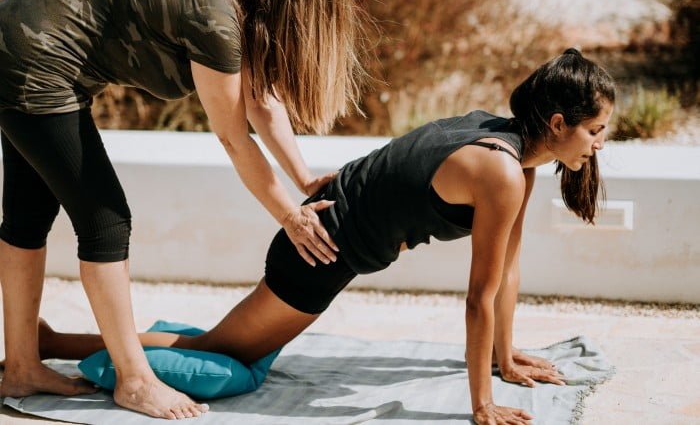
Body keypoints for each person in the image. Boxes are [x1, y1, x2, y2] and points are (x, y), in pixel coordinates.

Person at [36, 49, 616, 424]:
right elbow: (478, 297)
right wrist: (483, 404)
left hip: (330, 233)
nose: (599, 144)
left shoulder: (518, 154)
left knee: (227, 347)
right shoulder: (502, 171)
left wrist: (505, 359)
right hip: (318, 248)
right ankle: (54, 344)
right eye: (595, 130)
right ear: (558, 124)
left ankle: (60, 341)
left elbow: (507, 271)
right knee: (219, 354)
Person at [0, 0, 365, 419]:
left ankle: (22, 365)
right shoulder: (215, 13)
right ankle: (134, 380)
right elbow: (234, 138)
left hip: (24, 47)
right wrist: (290, 217)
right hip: (31, 59)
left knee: (28, 213)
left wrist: (303, 179)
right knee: (105, 221)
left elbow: (261, 99)